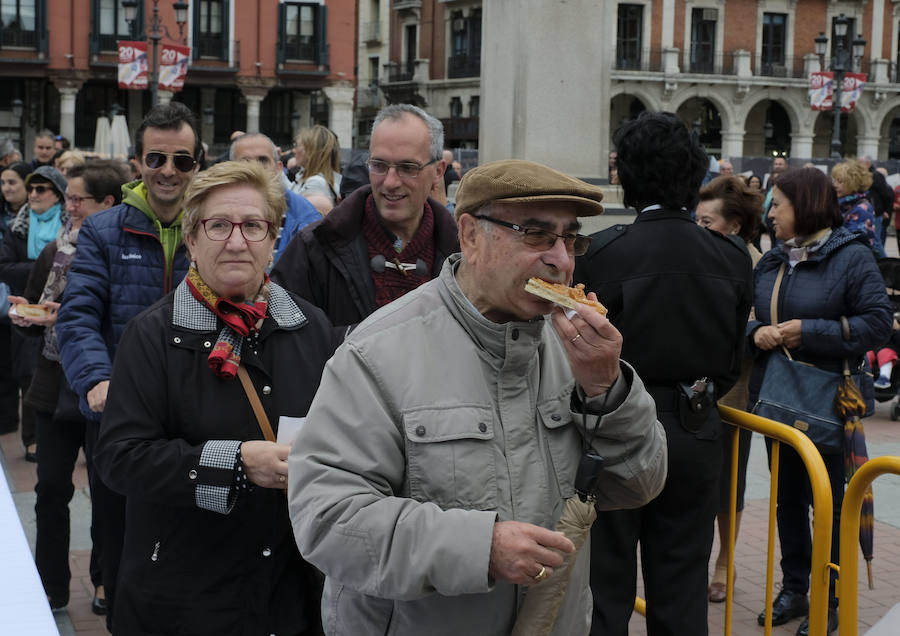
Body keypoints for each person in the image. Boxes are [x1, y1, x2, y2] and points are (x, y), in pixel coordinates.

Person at [288, 158, 667, 635]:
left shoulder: (574, 350)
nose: (562, 260)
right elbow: (327, 518)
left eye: (570, 238)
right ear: (469, 235)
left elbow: (638, 485)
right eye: (535, 234)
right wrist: (478, 547)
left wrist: (607, 392)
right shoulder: (378, 351)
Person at [92, 160, 338, 634]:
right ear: (192, 238)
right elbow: (120, 458)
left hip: (288, 591)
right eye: (219, 225)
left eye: (253, 225)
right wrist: (239, 463)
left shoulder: (309, 326)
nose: (237, 240)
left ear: (273, 238)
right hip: (186, 595)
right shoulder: (153, 335)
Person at [575, 111, 752, 636]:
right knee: (681, 585)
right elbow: (728, 357)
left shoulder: (604, 252)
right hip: (696, 425)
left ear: (626, 176)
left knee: (606, 587)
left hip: (615, 427)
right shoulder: (731, 255)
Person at [55, 101, 199, 627]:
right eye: (156, 158)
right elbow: (77, 318)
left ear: (197, 165)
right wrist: (96, 379)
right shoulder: (102, 230)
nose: (168, 171)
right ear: (136, 163)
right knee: (117, 536)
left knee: (191, 530)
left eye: (181, 160)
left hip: (194, 411)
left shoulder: (213, 226)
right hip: (120, 413)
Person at [750, 167, 892, 635]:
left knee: (827, 504)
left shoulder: (852, 256)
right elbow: (743, 318)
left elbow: (876, 323)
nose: (770, 215)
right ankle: (795, 588)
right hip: (778, 403)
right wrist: (759, 332)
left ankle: (831, 598)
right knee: (787, 502)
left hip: (829, 405)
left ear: (805, 206)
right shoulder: (774, 260)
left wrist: (807, 331)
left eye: (778, 206)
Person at [7, 160, 128, 613]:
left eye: (78, 199)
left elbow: (122, 319)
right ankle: (50, 588)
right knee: (50, 489)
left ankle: (103, 581)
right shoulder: (52, 252)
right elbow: (38, 312)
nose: (69, 206)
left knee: (108, 490)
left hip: (102, 386)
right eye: (69, 198)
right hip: (53, 384)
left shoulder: (120, 252)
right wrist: (28, 317)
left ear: (107, 204)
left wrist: (75, 320)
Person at [272, 103, 459, 333]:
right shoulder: (314, 247)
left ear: (439, 171)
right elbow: (284, 342)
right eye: (379, 165)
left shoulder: (465, 254)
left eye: (407, 167)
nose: (390, 182)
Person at [695, 175, 764, 603]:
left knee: (727, 482)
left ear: (734, 226)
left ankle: (725, 560)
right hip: (693, 389)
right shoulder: (695, 257)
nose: (697, 229)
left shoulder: (754, 264)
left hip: (732, 392)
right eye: (695, 220)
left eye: (707, 222)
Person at [0, 166, 68, 462]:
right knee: (29, 372)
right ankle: (32, 439)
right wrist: (43, 265)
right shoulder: (18, 225)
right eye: (32, 189)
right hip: (28, 307)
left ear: (57, 195)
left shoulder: (69, 224)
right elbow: (3, 266)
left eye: (42, 189)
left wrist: (41, 267)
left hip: (62, 311)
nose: (34, 195)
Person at [230, 133, 320, 262]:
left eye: (263, 160)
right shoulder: (212, 213)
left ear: (279, 168)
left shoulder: (307, 217)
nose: (255, 168)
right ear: (230, 169)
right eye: (246, 161)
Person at [0, 160, 31, 437]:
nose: (7, 188)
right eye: (3, 183)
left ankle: (25, 432)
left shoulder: (38, 218)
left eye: (13, 183)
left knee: (20, 369)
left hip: (24, 305)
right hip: (4, 300)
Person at [831, 159, 885, 258]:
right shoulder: (839, 203)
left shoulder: (862, 208)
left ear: (853, 183)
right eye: (834, 180)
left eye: (840, 181)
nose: (835, 185)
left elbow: (852, 241)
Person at [291, 124, 342, 210]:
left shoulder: (316, 183)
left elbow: (297, 212)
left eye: (296, 145)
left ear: (310, 150)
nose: (293, 150)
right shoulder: (319, 179)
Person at [859, 155, 894, 247]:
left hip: (876, 212)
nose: (858, 165)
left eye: (860, 163)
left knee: (876, 241)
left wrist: (885, 210)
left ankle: (883, 261)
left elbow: (886, 194)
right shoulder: (864, 176)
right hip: (868, 211)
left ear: (867, 164)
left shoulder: (875, 175)